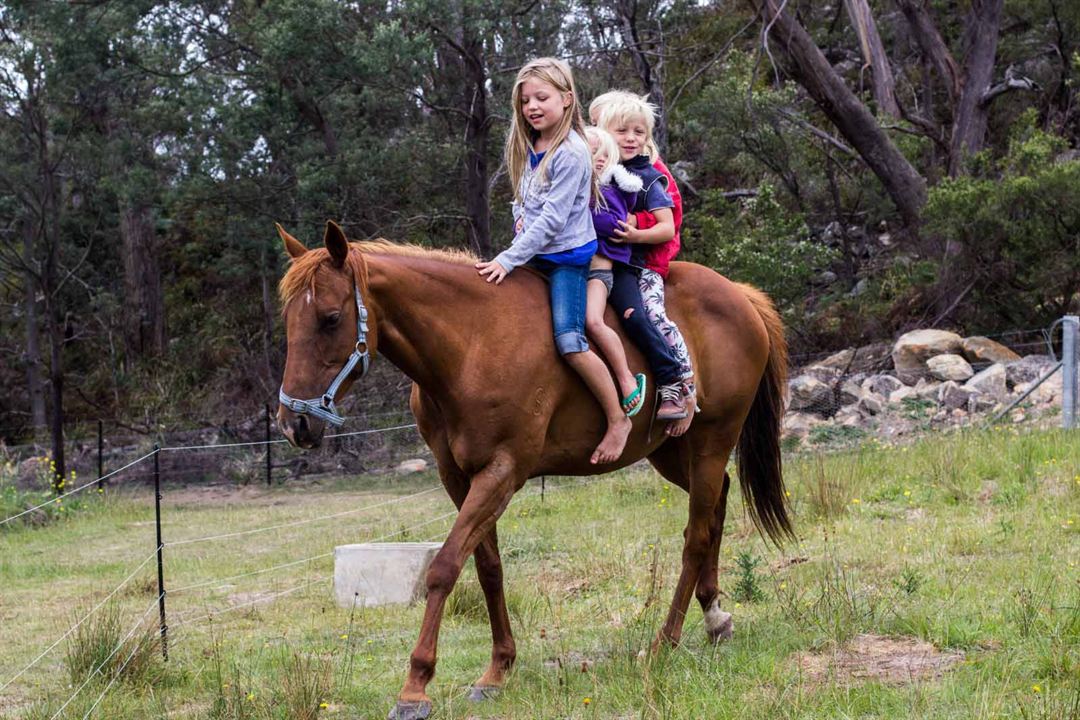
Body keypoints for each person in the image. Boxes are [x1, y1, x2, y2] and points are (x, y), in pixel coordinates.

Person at [475, 57, 632, 465]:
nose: (532, 106)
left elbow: (554, 219)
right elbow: (525, 203)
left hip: (565, 259)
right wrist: (518, 222)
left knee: (569, 340)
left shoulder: (573, 151)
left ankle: (618, 419)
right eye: (525, 100)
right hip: (534, 252)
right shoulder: (531, 145)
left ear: (566, 99)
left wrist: (509, 259)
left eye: (541, 97)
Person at [590, 91, 691, 425]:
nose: (631, 139)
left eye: (638, 132)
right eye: (622, 132)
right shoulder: (598, 168)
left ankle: (675, 377)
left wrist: (635, 232)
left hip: (638, 264)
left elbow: (667, 226)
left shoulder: (649, 177)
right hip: (602, 261)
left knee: (642, 314)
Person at [582, 126, 647, 418]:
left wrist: (572, 215)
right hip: (574, 271)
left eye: (605, 154)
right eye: (593, 153)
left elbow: (612, 224)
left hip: (599, 273)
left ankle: (625, 377)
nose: (598, 159)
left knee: (593, 321)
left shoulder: (611, 188)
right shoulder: (580, 187)